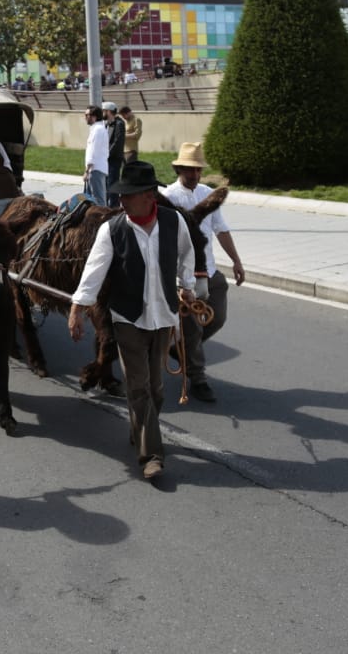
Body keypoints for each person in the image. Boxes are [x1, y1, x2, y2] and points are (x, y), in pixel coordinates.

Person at [68, 161, 196, 482]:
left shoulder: (173, 222)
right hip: (128, 319)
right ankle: (151, 455)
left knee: (156, 389)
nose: (121, 201)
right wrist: (77, 307)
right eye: (120, 195)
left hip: (164, 315)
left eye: (129, 195)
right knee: (138, 387)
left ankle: (139, 428)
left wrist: (189, 288)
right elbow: (93, 273)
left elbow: (186, 255)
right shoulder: (112, 230)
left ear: (150, 195)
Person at [161, 142, 246, 403]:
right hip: (184, 276)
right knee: (193, 328)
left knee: (216, 318)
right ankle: (197, 378)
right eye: (190, 170)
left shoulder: (207, 193)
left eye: (198, 170)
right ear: (180, 169)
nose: (195, 175)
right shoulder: (169, 198)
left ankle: (182, 349)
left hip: (209, 271)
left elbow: (220, 229)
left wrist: (236, 260)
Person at [82, 105, 109, 206]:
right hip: (95, 168)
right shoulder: (97, 129)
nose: (85, 117)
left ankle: (103, 220)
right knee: (90, 199)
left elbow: (93, 151)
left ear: (94, 117)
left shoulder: (97, 130)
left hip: (95, 169)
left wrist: (87, 171)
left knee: (98, 199)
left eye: (87, 115)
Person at [102, 102, 125, 205]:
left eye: (104, 111)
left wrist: (107, 155)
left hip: (114, 159)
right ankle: (106, 206)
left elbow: (117, 143)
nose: (102, 113)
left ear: (109, 111)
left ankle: (114, 208)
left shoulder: (119, 124)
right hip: (107, 159)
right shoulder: (107, 123)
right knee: (106, 185)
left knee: (112, 185)